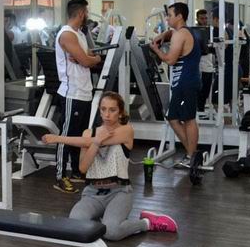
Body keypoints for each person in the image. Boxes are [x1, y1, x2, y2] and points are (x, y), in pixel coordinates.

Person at [42, 92, 177, 239]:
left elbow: (87, 142)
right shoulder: (88, 133)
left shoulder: (126, 130)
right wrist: (96, 143)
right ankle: (102, 221)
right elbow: (83, 168)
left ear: (120, 113)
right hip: (92, 193)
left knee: (112, 232)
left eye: (112, 110)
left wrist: (58, 138)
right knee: (76, 225)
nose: (107, 114)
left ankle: (146, 223)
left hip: (119, 193)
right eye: (103, 109)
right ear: (99, 111)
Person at [54, 0, 102, 194]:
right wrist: (92, 59)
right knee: (66, 136)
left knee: (79, 136)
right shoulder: (67, 34)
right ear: (81, 13)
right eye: (86, 12)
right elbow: (87, 61)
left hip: (84, 92)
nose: (87, 15)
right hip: (71, 93)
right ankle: (60, 176)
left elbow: (89, 56)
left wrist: (90, 58)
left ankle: (75, 171)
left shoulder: (79, 34)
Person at [150, 2, 202, 169]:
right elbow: (171, 32)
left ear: (179, 16)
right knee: (173, 117)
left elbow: (170, 60)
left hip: (186, 82)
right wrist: (162, 35)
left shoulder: (181, 34)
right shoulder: (181, 32)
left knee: (188, 119)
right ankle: (192, 155)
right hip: (183, 82)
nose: (167, 18)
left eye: (170, 15)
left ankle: (192, 156)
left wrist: (156, 49)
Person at [196, 9, 215, 112]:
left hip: (209, 64)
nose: (204, 20)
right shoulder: (196, 31)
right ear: (197, 19)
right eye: (202, 18)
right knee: (201, 91)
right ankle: (199, 110)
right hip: (200, 65)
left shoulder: (210, 30)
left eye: (206, 18)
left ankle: (201, 110)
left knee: (206, 90)